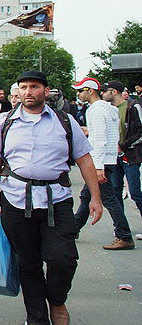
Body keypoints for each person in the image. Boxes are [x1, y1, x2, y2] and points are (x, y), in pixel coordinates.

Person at [0, 71, 102, 325]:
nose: (28, 91)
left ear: (45, 91)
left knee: (63, 258)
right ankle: (37, 317)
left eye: (34, 87)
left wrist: (95, 197)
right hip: (16, 201)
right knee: (28, 264)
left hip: (57, 201)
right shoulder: (6, 122)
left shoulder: (64, 121)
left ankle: (57, 301)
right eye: (24, 87)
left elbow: (84, 159)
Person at [71, 78, 133, 249]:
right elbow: (105, 134)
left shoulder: (96, 110)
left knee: (108, 199)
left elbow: (99, 140)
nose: (78, 94)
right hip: (107, 159)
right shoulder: (107, 109)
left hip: (101, 162)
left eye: (80, 90)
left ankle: (124, 235)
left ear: (90, 91)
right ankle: (74, 228)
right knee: (86, 196)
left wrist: (97, 167)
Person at [104, 80, 142, 240]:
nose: (103, 94)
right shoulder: (110, 109)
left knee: (135, 192)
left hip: (130, 155)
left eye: (105, 91)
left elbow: (140, 132)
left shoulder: (133, 107)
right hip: (114, 156)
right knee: (115, 191)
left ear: (114, 92)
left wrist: (123, 145)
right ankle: (121, 227)